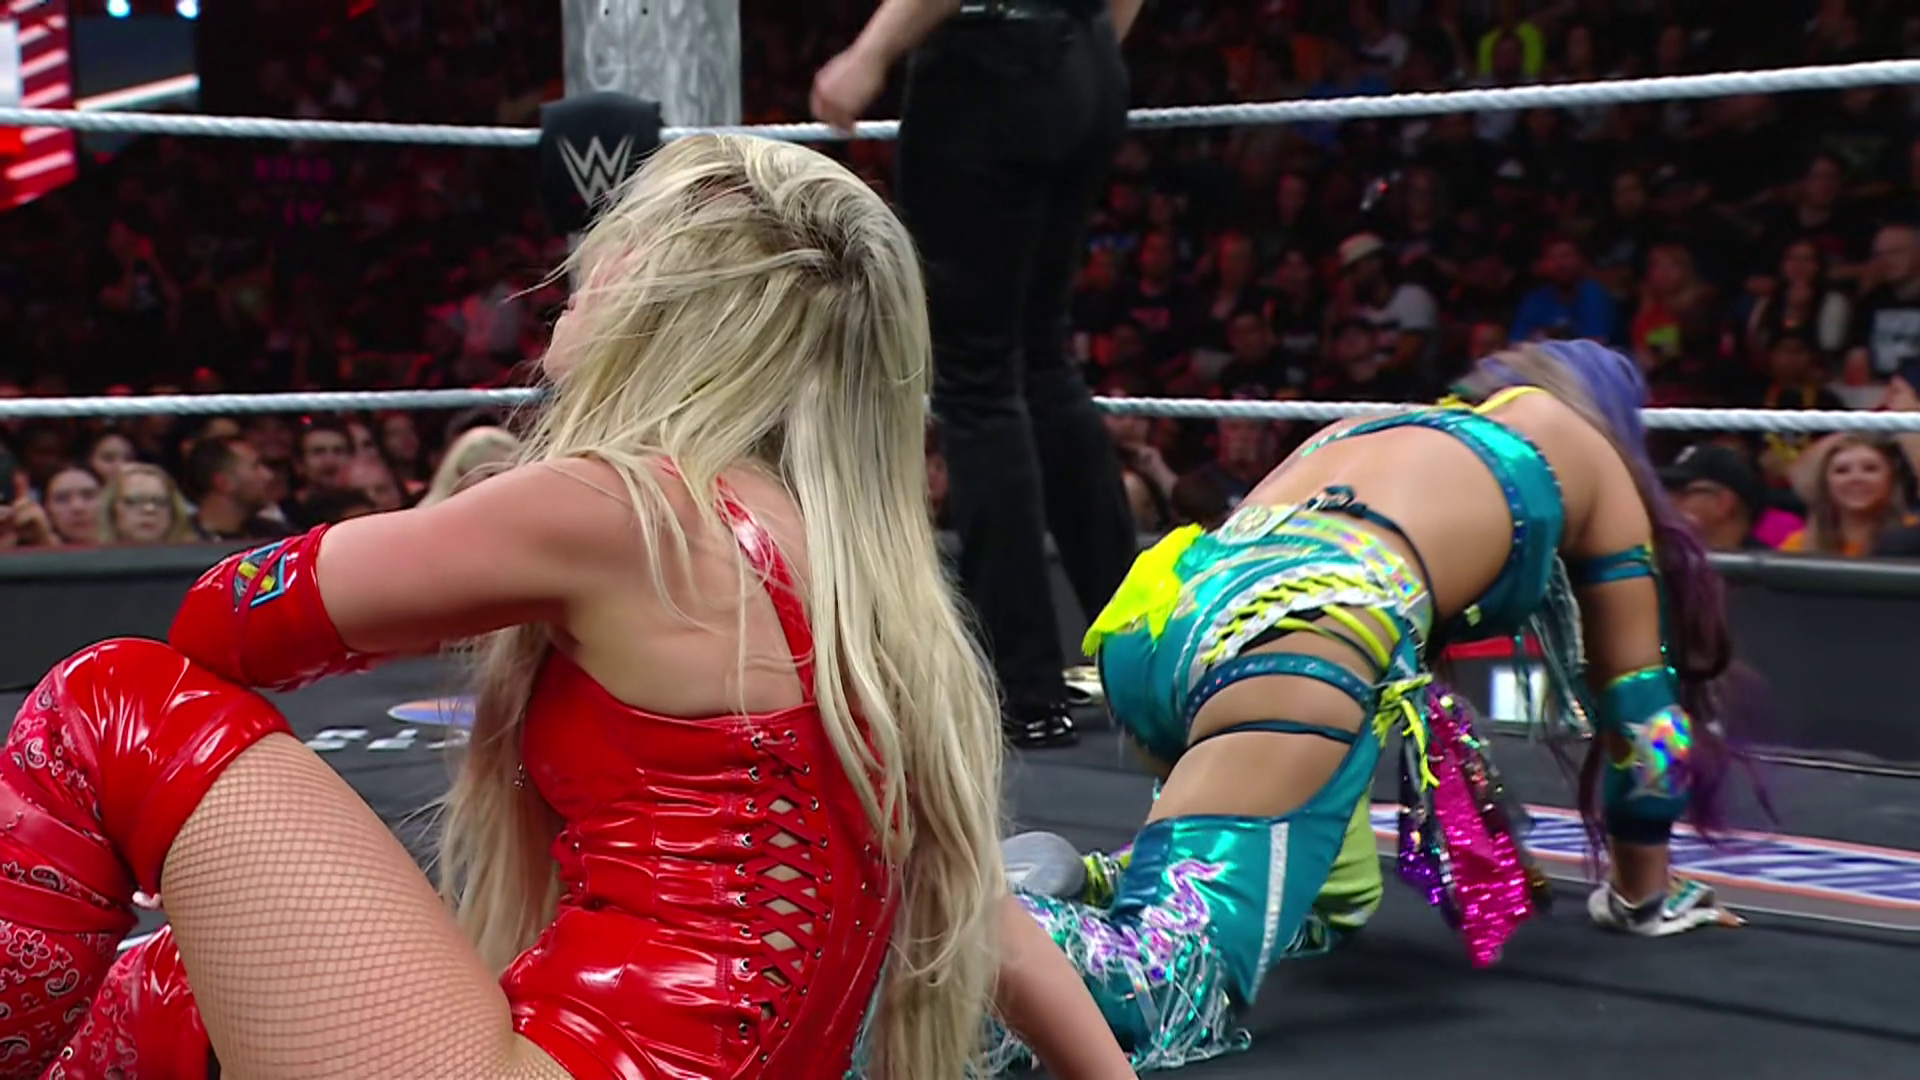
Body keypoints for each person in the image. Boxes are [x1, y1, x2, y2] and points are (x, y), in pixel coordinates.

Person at [0, 136, 1131, 1080]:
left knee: (115, 698)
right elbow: (979, 911)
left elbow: (227, 621)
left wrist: (450, 536)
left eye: (605, 251)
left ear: (661, 289)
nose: (572, 278)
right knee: (182, 983)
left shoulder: (621, 506)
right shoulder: (864, 587)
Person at [995, 340, 1747, 1070]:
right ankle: (980, 923)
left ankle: (1098, 883)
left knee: (1336, 896)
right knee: (1161, 984)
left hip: (1156, 622)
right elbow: (1649, 722)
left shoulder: (1371, 432)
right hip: (1297, 635)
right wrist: (1643, 894)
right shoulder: (1579, 446)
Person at [812, 0, 1147, 748]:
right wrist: (1078, 46)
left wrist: (869, 54)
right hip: (1085, 58)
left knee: (979, 382)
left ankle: (1023, 689)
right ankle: (1142, 657)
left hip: (990, 68)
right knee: (1042, 361)